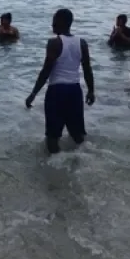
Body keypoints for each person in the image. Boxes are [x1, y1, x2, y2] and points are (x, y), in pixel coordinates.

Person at [25, 9, 95, 153]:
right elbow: (87, 69)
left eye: (54, 20)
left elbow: (46, 71)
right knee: (77, 134)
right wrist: (91, 91)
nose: (52, 24)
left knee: (52, 137)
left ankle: (54, 171)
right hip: (75, 91)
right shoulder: (82, 43)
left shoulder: (54, 43)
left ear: (62, 22)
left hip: (57, 92)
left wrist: (33, 93)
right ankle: (80, 162)